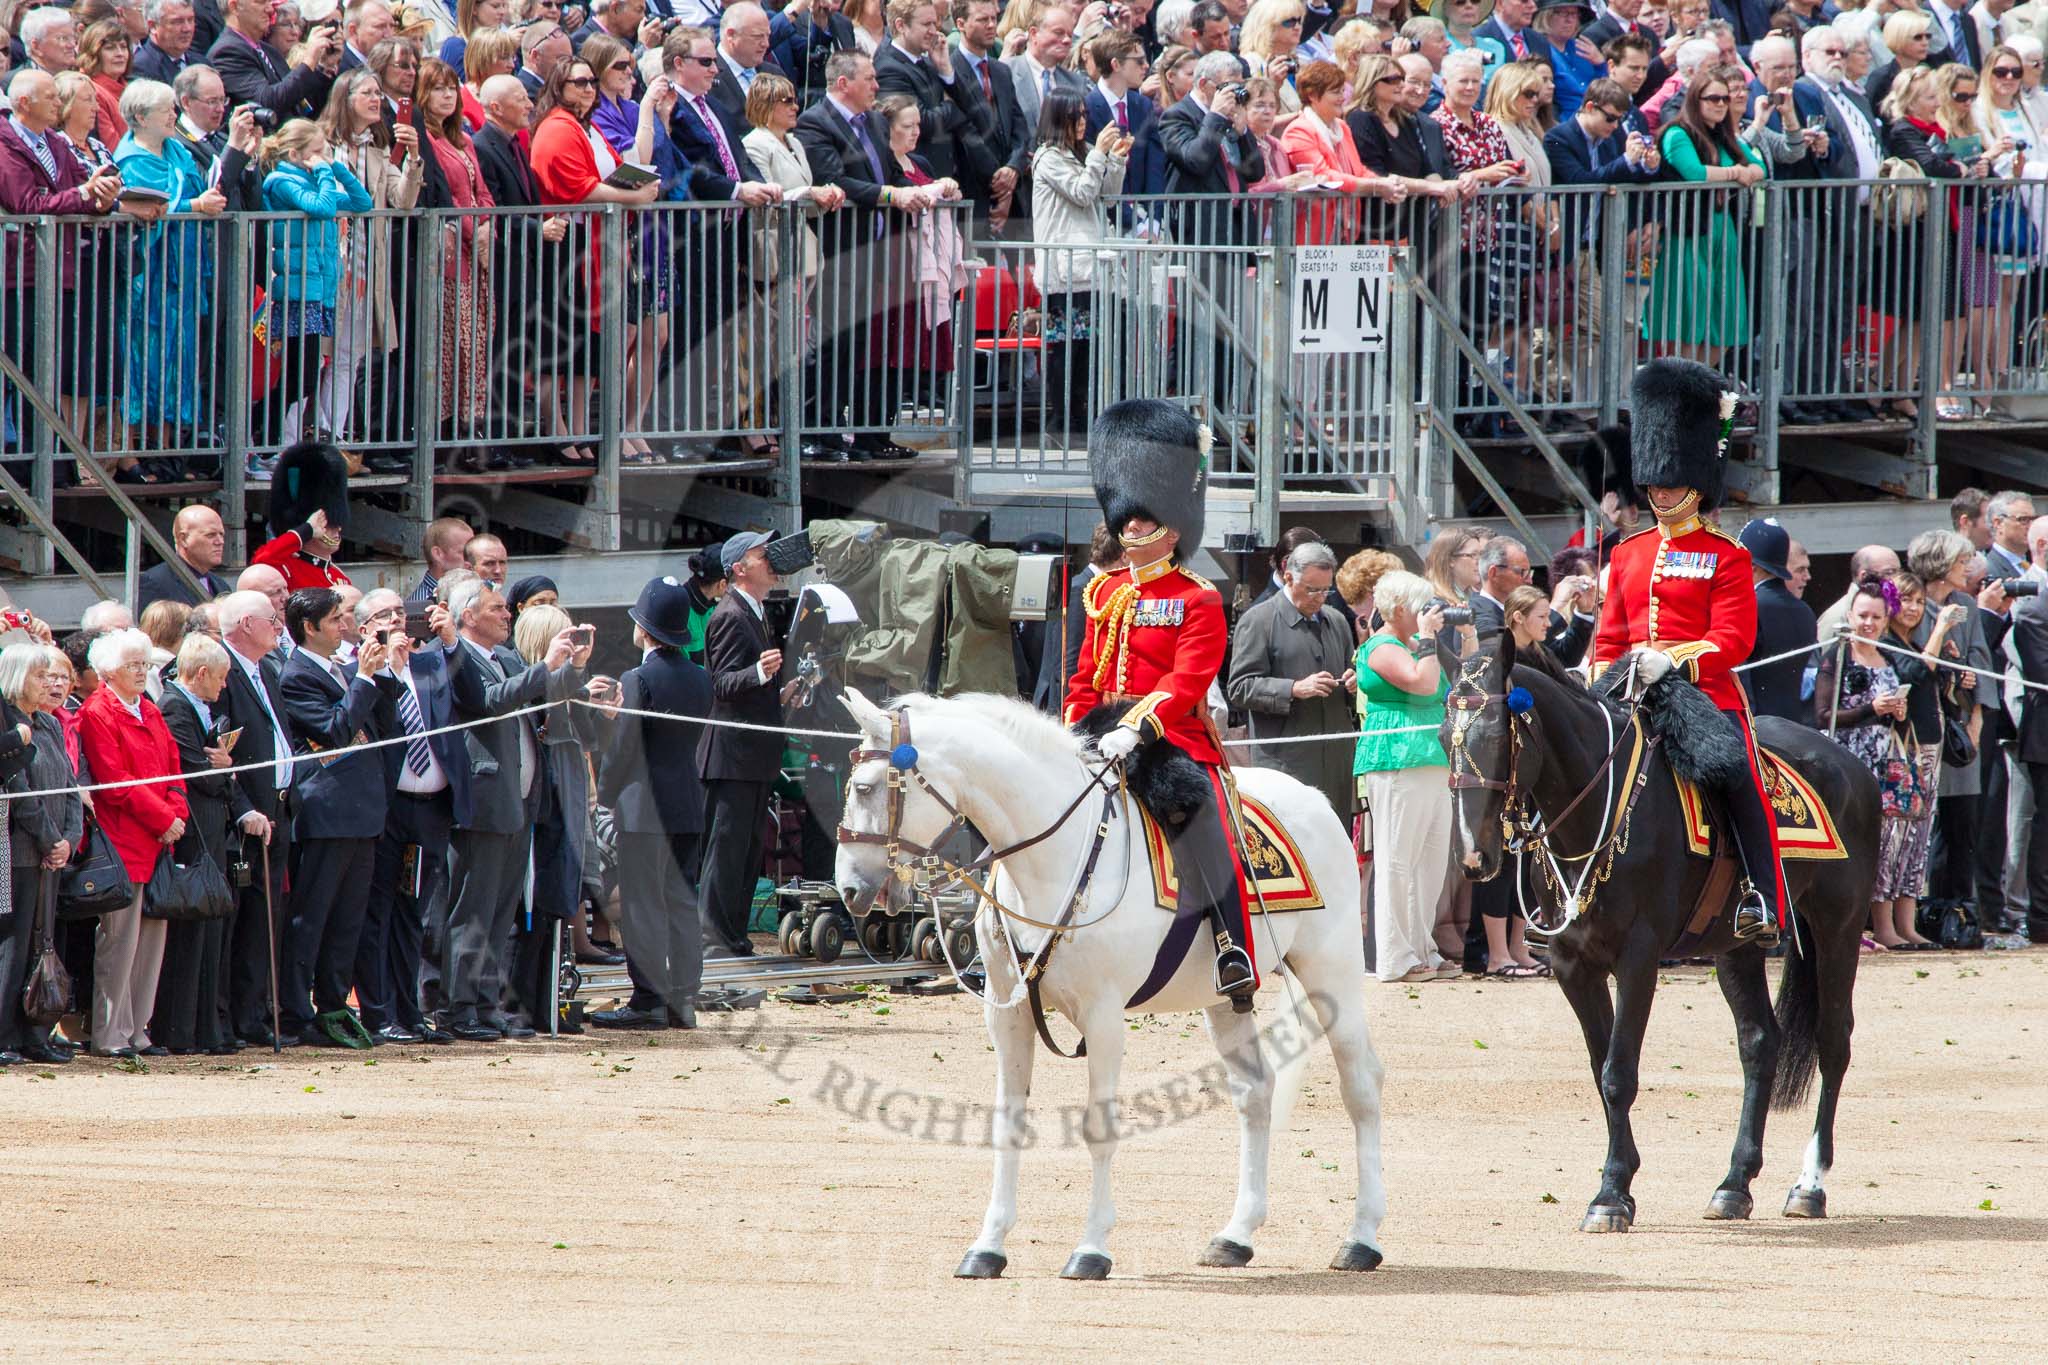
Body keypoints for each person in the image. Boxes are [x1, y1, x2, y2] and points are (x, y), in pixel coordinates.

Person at [1063, 400, 1256, 1008]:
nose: (1129, 530)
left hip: (1172, 738)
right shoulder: (1103, 592)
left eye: (1142, 521)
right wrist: (1075, 728)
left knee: (1201, 819)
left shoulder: (1198, 599)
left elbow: (1186, 682)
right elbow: (1085, 675)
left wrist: (1138, 728)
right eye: (1127, 519)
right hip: (1099, 732)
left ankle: (1233, 948)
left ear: (1173, 527)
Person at [1591, 357, 1784, 945]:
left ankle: (1763, 899)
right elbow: (1610, 632)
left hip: (1704, 694)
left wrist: (1674, 660)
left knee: (1739, 778)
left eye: (1669, 482)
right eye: (1652, 481)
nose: (1658, 491)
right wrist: (1600, 673)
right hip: (1627, 691)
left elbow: (1733, 640)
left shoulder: (1727, 555)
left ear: (1696, 483)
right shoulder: (1628, 552)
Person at [442, 577, 587, 1041]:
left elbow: (541, 700)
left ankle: (487, 1005)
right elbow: (486, 702)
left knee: (502, 910)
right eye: (497, 609)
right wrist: (545, 665)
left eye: (506, 608)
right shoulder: (458, 658)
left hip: (520, 801)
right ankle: (458, 1007)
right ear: (469, 616)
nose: (508, 615)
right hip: (484, 804)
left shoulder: (505, 658)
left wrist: (570, 668)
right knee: (474, 910)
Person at [277, 586, 398, 1047]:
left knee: (348, 919)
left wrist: (381, 675)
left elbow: (384, 727)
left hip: (363, 809)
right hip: (326, 811)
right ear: (310, 628)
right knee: (313, 916)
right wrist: (364, 680)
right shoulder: (296, 675)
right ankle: (295, 1009)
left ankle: (332, 1003)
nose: (344, 627)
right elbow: (334, 732)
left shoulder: (344, 669)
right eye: (334, 621)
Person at [594, 575, 715, 1029]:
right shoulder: (700, 677)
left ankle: (648, 998)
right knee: (682, 902)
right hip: (686, 799)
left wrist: (604, 794)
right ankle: (684, 997)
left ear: (644, 630)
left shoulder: (637, 677)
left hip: (643, 808)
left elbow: (626, 747)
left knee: (643, 905)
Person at [528, 56, 662, 466]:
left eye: (591, 83)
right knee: (564, 346)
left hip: (599, 247)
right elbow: (579, 188)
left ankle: (586, 430)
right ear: (559, 86)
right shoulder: (556, 127)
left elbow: (615, 168)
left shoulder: (589, 126)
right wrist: (633, 196)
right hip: (568, 248)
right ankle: (560, 431)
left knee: (592, 348)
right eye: (578, 82)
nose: (587, 89)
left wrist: (634, 181)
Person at [77, 627, 188, 1057]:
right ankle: (110, 1033)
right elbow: (114, 780)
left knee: (150, 942)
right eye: (133, 666)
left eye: (144, 664)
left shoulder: (149, 709)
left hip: (160, 837)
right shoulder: (98, 711)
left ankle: (139, 1029)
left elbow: (174, 765)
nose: (142, 672)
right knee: (118, 944)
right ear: (109, 671)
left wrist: (175, 813)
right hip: (124, 837)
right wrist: (163, 818)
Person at [152, 632, 262, 1055]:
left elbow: (214, 770)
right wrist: (225, 769)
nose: (223, 687)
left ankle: (206, 1027)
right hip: (194, 835)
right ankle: (181, 1029)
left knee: (211, 929)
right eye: (220, 678)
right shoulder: (176, 708)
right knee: (191, 932)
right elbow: (198, 774)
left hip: (213, 832)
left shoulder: (198, 706)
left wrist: (223, 766)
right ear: (200, 674)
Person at [1354, 569, 1462, 983]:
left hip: (1433, 757)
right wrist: (1430, 640)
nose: (1427, 613)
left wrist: (1458, 636)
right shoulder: (1381, 647)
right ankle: (1394, 956)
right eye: (1421, 606)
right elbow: (1422, 684)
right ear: (1399, 609)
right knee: (1398, 859)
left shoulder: (1411, 643)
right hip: (1398, 757)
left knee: (1431, 862)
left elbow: (1451, 682)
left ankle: (1422, 948)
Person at [1640, 65, 1765, 370]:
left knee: (1721, 325)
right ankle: (1678, 400)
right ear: (1696, 99)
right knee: (1684, 322)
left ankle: (1695, 390)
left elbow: (1759, 169)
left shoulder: (1723, 136)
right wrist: (1736, 174)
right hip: (1685, 234)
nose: (1721, 104)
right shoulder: (1677, 133)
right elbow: (1695, 173)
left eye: (1725, 99)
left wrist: (1740, 171)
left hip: (1722, 233)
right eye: (1713, 98)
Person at [698, 530, 785, 958]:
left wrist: (781, 689)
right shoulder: (731, 615)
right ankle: (715, 937)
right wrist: (760, 674)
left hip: (750, 754)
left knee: (748, 851)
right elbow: (723, 684)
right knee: (728, 850)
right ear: (738, 568)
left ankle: (732, 935)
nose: (770, 559)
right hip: (732, 754)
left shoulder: (754, 610)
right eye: (760, 554)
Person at [1225, 538, 1357, 818]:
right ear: (1288, 577)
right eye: (1311, 590)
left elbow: (1350, 677)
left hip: (1335, 760)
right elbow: (1238, 688)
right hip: (1286, 762)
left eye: (1326, 590)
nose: (1320, 598)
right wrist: (1294, 688)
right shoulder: (1258, 620)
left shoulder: (1337, 621)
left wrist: (1354, 683)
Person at [0, 642, 79, 1067]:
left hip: (52, 851)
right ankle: (5, 1033)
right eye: (38, 675)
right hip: (22, 850)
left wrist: (69, 836)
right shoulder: (9, 725)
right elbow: (21, 792)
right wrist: (50, 840)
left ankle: (35, 1032)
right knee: (13, 945)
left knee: (41, 945)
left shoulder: (47, 725)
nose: (47, 682)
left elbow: (68, 786)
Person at [1032, 86, 1128, 434]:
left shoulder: (1085, 152)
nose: (1083, 122)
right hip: (1065, 268)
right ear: (1060, 119)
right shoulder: (1048, 158)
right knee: (1067, 345)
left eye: (1086, 115)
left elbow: (1109, 197)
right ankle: (1062, 414)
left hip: (1091, 266)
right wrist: (1100, 156)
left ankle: (1085, 411)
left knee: (1090, 345)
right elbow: (1082, 193)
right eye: (1076, 116)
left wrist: (1114, 159)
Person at [1737, 516, 1816, 725]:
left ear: (1751, 566)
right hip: (1795, 727)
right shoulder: (1806, 611)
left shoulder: (1747, 606)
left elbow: (1740, 677)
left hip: (1757, 728)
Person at [206, 0, 338, 117]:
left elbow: (302, 105)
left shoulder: (268, 50)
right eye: (261, 2)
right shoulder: (227, 52)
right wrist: (309, 61)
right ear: (234, 7)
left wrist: (323, 66)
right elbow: (268, 102)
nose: (270, 9)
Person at [136, 504, 229, 609]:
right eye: (210, 535)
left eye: (221, 534)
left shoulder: (221, 585)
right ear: (183, 539)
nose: (220, 542)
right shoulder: (155, 583)